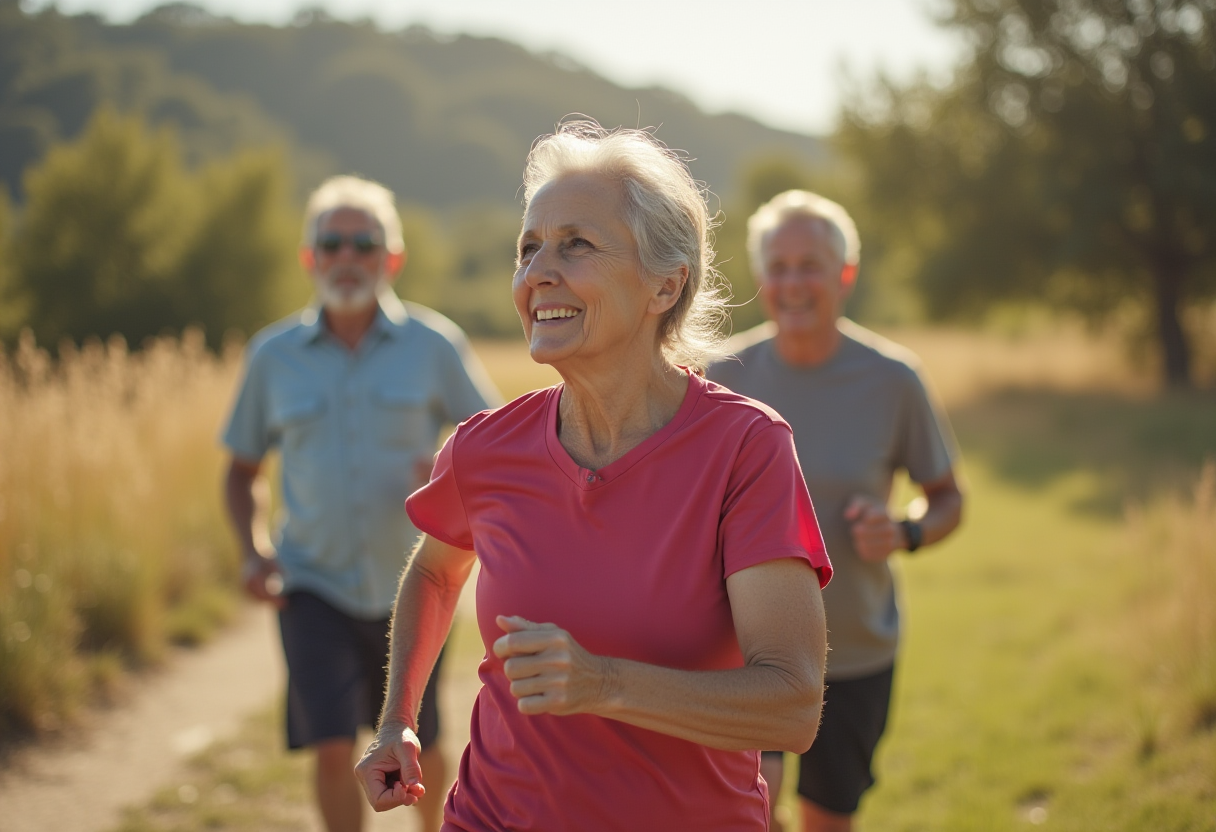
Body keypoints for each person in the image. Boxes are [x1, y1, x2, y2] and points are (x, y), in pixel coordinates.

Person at [353, 121, 833, 831]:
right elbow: (433, 574)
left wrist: (605, 684)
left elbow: (791, 707)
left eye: (576, 244)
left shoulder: (745, 449)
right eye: (528, 248)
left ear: (665, 285)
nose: (538, 271)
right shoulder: (486, 447)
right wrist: (398, 719)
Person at [221, 175, 501, 832]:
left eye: (364, 243)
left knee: (423, 742)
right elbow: (240, 473)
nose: (348, 256)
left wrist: (448, 470)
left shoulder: (436, 345)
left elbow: (495, 448)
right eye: (333, 242)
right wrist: (251, 551)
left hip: (415, 584)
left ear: (390, 258)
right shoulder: (273, 356)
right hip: (310, 582)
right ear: (310, 256)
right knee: (330, 746)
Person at [707, 190, 965, 832]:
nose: (793, 282)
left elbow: (948, 499)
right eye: (779, 266)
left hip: (852, 654)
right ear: (762, 278)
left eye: (810, 265)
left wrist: (904, 530)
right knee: (750, 812)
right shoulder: (718, 377)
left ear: (845, 274)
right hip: (739, 653)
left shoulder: (894, 378)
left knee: (827, 819)